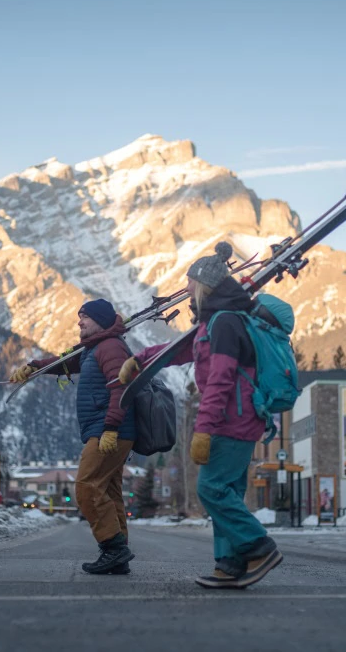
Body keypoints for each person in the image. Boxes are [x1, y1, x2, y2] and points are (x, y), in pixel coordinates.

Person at [118, 242, 282, 589]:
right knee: (227, 492)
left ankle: (258, 546)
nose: (187, 288)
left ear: (205, 284)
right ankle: (230, 564)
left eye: (191, 281)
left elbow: (221, 380)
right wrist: (141, 359)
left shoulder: (224, 322)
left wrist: (203, 429)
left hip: (232, 421)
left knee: (211, 488)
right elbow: (180, 349)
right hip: (239, 419)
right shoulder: (216, 320)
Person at [9, 298, 136, 575]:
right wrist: (34, 367)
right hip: (105, 430)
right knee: (109, 491)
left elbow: (121, 388)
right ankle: (118, 555)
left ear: (100, 321)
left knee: (86, 486)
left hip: (109, 431)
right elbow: (64, 361)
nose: (79, 322)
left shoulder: (111, 347)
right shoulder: (95, 348)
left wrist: (111, 428)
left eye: (85, 317)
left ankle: (113, 548)